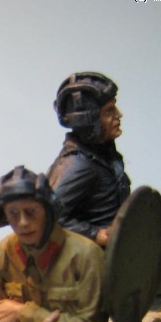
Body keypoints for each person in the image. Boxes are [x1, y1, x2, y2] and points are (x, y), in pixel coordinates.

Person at [0, 165, 106, 322]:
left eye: (32, 211)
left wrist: (23, 313)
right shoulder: (2, 254)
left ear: (47, 211)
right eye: (13, 213)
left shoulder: (85, 254)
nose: (23, 222)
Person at [47, 71, 130, 248]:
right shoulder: (78, 165)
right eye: (109, 111)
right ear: (90, 121)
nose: (119, 115)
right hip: (97, 256)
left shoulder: (103, 154)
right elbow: (48, 217)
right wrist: (95, 234)